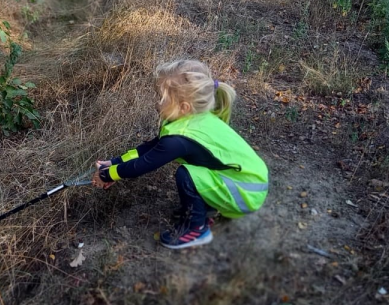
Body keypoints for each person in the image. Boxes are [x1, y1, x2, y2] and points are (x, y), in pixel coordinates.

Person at [91, 59, 268, 249]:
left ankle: (196, 229)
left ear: (184, 107)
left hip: (246, 193)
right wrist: (115, 163)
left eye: (162, 97)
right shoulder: (193, 119)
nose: (157, 102)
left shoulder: (179, 139)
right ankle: (204, 208)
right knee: (195, 173)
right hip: (248, 181)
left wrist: (106, 175)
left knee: (187, 174)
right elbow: (151, 148)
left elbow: (141, 166)